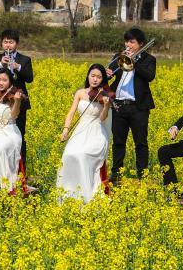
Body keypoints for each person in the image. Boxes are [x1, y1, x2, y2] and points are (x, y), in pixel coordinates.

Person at [56, 64, 113, 202]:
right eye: (93, 76)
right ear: (88, 76)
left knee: (82, 156)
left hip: (96, 132)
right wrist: (65, 130)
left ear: (103, 79)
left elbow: (103, 118)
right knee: (69, 154)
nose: (95, 79)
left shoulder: (105, 95)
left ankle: (88, 195)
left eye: (99, 77)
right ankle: (69, 194)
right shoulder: (80, 93)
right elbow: (71, 113)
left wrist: (106, 105)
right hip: (80, 130)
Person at [107, 26, 156, 183]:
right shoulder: (118, 57)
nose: (128, 45)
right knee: (118, 141)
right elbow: (109, 76)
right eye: (126, 41)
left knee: (140, 142)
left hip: (138, 107)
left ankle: (142, 174)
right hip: (119, 106)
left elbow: (149, 76)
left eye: (132, 42)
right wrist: (106, 74)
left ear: (140, 44)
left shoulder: (149, 59)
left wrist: (134, 62)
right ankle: (116, 173)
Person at [0, 29, 33, 168]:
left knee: (19, 135)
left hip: (18, 102)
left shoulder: (24, 60)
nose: (8, 45)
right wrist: (1, 64)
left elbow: (29, 78)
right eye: (5, 42)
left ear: (16, 44)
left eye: (11, 42)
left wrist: (17, 67)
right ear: (1, 44)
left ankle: (20, 171)